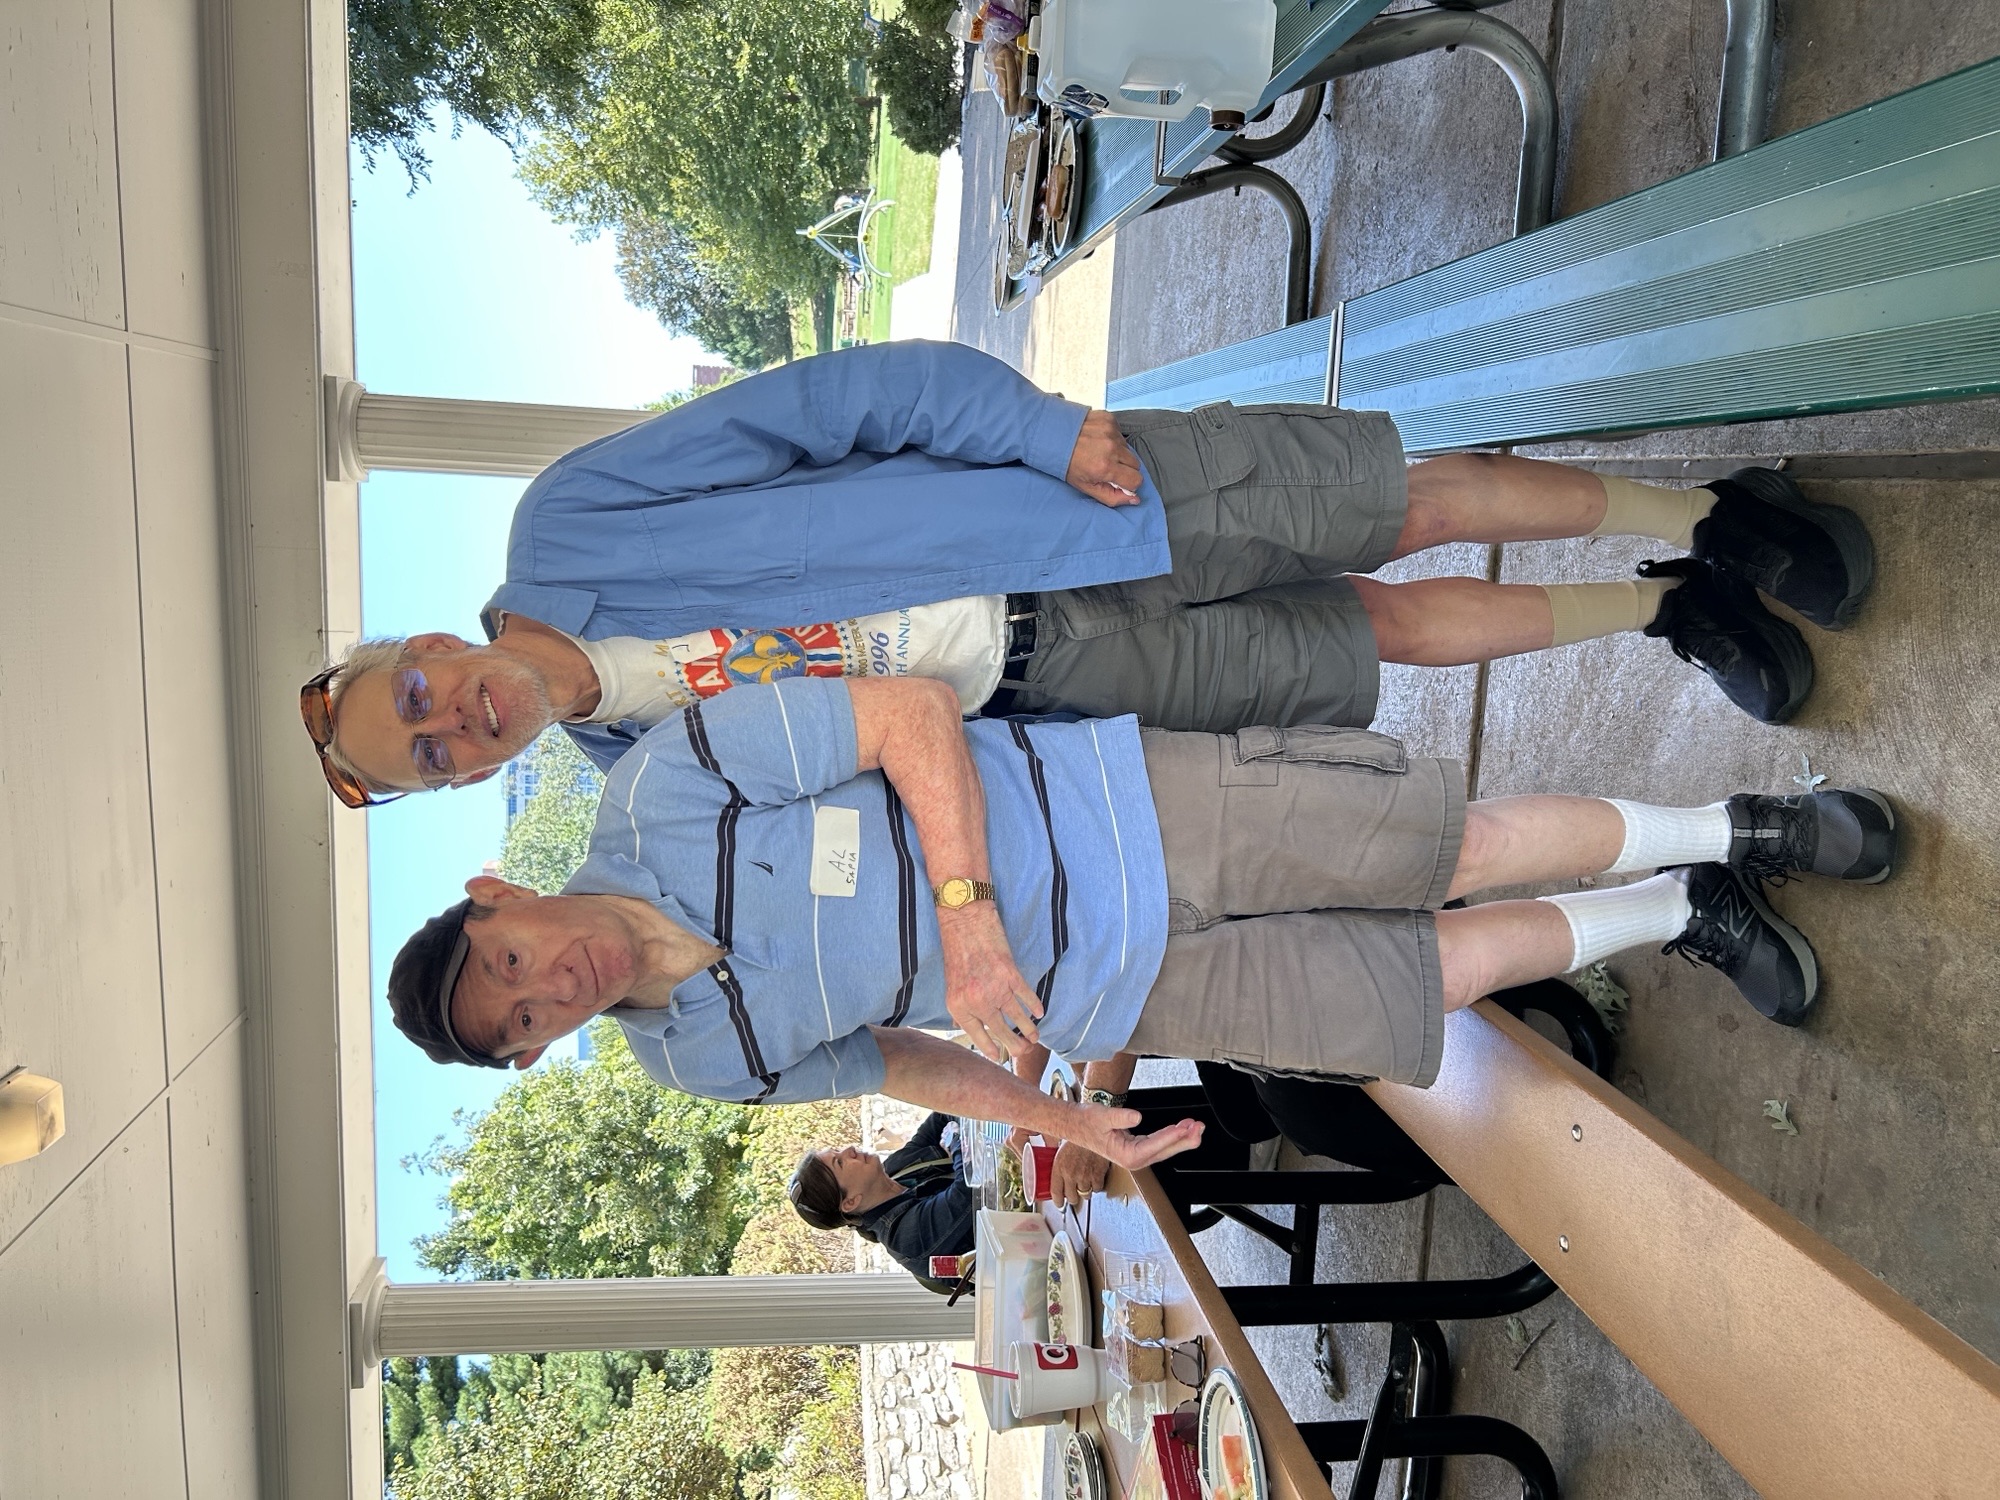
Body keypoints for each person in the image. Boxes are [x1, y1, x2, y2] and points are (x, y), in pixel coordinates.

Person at [382, 674, 1895, 1160]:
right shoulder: (691, 1059)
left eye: (509, 963)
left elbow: (909, 717)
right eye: (521, 1020)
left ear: (496, 894)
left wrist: (967, 920)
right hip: (1119, 992)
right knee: (1424, 975)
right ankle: (1677, 907)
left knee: (1448, 851)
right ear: (532, 1057)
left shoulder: (662, 789)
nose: (547, 987)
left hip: (1120, 811)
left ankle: (1742, 822)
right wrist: (1069, 1126)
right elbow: (898, 1065)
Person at [299, 341, 1873, 807]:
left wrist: (1045, 430)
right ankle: (1669, 605)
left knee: (1390, 505)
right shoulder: (638, 768)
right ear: (455, 784)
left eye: (418, 695)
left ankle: (1713, 508)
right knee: (1372, 631)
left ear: (425, 638)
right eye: (431, 754)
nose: (458, 721)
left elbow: (834, 405)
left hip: (1072, 512)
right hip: (1062, 681)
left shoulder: (572, 523)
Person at [788, 1114, 978, 1288]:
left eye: (837, 1150)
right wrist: (955, 1141)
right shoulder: (905, 1239)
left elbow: (944, 1111)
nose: (850, 1149)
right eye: (840, 1162)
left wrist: (958, 1144)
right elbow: (973, 1188)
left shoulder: (896, 1168)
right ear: (850, 1202)